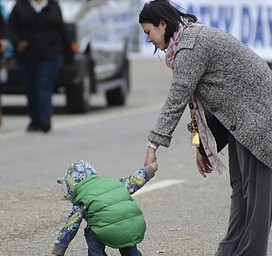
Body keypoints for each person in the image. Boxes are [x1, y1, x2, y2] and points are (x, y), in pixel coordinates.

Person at [139, 1, 272, 256]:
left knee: (256, 193)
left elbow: (177, 100)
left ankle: (251, 252)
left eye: (148, 32)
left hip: (256, 112)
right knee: (241, 187)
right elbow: (201, 104)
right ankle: (230, 250)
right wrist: (200, 146)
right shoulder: (186, 39)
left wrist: (153, 146)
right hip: (240, 113)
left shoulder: (189, 46)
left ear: (162, 24)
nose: (148, 39)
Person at [52, 159, 158, 256]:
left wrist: (58, 250)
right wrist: (150, 169)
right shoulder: (114, 183)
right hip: (133, 227)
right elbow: (134, 180)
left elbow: (70, 227)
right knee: (123, 230)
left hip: (110, 231)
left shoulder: (82, 199)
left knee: (92, 230)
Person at [7, 0, 72, 133]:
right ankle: (35, 119)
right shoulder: (20, 5)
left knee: (43, 84)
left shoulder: (53, 5)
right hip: (27, 55)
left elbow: (62, 30)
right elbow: (11, 28)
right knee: (30, 87)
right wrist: (17, 42)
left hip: (50, 53)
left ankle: (45, 119)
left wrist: (68, 57)